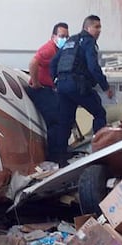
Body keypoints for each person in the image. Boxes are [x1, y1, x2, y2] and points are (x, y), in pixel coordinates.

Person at [50, 15, 113, 166]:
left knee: (64, 122)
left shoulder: (70, 41)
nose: (99, 30)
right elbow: (93, 67)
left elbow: (53, 63)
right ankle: (99, 153)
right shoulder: (89, 42)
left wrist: (56, 81)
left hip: (63, 86)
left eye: (100, 27)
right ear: (87, 28)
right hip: (78, 85)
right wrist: (106, 87)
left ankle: (61, 160)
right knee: (99, 113)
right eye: (96, 27)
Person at [27, 22, 69, 162]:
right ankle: (54, 156)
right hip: (41, 89)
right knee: (55, 121)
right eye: (62, 36)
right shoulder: (49, 49)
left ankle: (60, 153)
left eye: (67, 36)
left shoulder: (59, 51)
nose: (65, 39)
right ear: (53, 36)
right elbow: (33, 62)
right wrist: (36, 82)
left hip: (49, 89)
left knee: (61, 119)